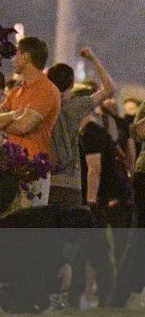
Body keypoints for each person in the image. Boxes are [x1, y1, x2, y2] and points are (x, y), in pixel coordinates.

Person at [0, 37, 61, 209]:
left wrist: (4, 121)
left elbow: (24, 126)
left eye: (16, 54)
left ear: (26, 57)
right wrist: (13, 115)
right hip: (10, 168)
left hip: (33, 168)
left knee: (28, 227)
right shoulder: (17, 90)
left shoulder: (46, 90)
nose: (13, 59)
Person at [45, 48, 115, 207]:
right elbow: (109, 89)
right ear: (71, 84)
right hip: (70, 184)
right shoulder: (75, 107)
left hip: (43, 181)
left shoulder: (41, 105)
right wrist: (92, 57)